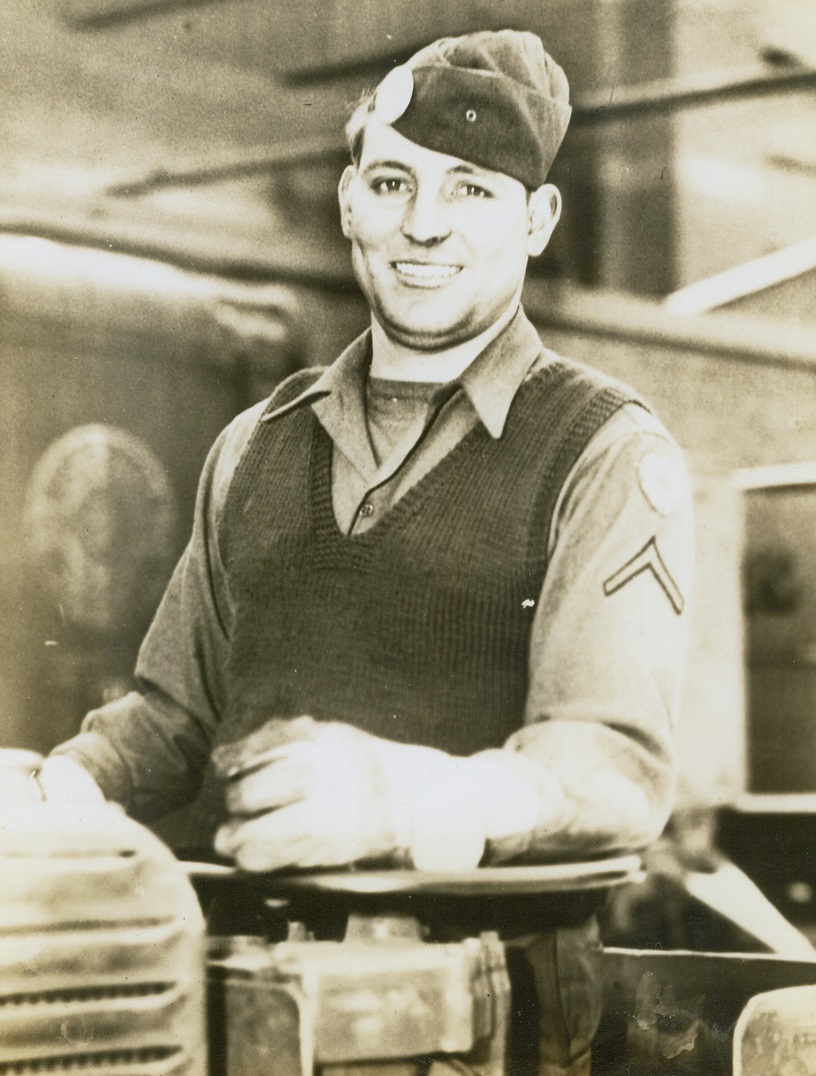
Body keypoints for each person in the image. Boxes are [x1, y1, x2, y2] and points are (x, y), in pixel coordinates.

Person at [37, 29, 693, 1074]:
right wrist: (61, 790)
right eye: (393, 182)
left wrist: (412, 802)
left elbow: (610, 763)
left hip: (486, 1028)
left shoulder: (604, 450)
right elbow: (172, 716)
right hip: (239, 1001)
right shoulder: (254, 447)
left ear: (538, 219)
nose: (423, 225)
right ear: (349, 203)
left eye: (473, 191)